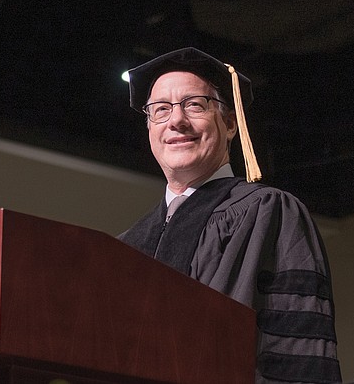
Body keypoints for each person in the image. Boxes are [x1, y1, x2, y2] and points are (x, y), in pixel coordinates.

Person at [118, 47, 341, 383]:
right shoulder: (126, 246)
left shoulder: (268, 211)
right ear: (150, 129)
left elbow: (295, 350)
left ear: (231, 123)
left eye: (194, 105)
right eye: (161, 110)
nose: (176, 120)